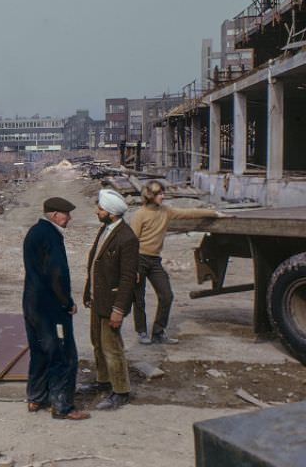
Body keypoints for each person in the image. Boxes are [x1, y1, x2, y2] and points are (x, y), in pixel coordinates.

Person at [130, 180, 224, 345]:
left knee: (167, 295)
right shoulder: (139, 215)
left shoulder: (166, 211)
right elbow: (131, 243)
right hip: (139, 259)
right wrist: (131, 267)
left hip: (155, 261)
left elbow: (188, 213)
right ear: (150, 196)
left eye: (162, 193)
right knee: (139, 298)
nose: (163, 196)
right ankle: (142, 331)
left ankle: (158, 332)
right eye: (159, 194)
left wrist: (214, 213)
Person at [22, 196, 90, 420]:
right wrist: (67, 303)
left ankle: (35, 398)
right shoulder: (51, 236)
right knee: (63, 354)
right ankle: (62, 406)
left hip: (32, 304)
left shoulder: (34, 232)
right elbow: (56, 274)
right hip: (51, 308)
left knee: (39, 351)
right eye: (66, 214)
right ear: (54, 215)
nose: (69, 218)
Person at [82, 189, 138, 411]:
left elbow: (128, 278)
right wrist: (88, 292)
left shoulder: (127, 238)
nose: (98, 211)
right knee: (97, 343)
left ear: (112, 213)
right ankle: (103, 382)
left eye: (101, 209)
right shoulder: (104, 230)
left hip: (111, 304)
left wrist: (118, 309)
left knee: (112, 347)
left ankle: (121, 391)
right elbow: (95, 264)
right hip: (98, 301)